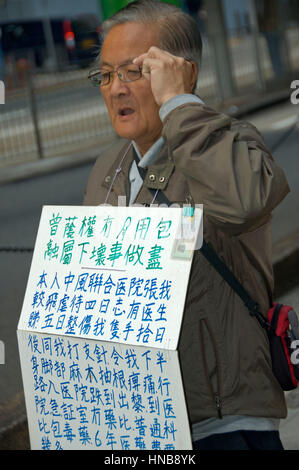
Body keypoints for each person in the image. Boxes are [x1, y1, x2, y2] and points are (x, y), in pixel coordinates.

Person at [84, 0, 290, 450]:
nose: (116, 89)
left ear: (182, 73)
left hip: (224, 419)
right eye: (105, 75)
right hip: (140, 423)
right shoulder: (107, 168)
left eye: (135, 71)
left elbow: (245, 201)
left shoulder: (230, 144)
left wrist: (180, 106)